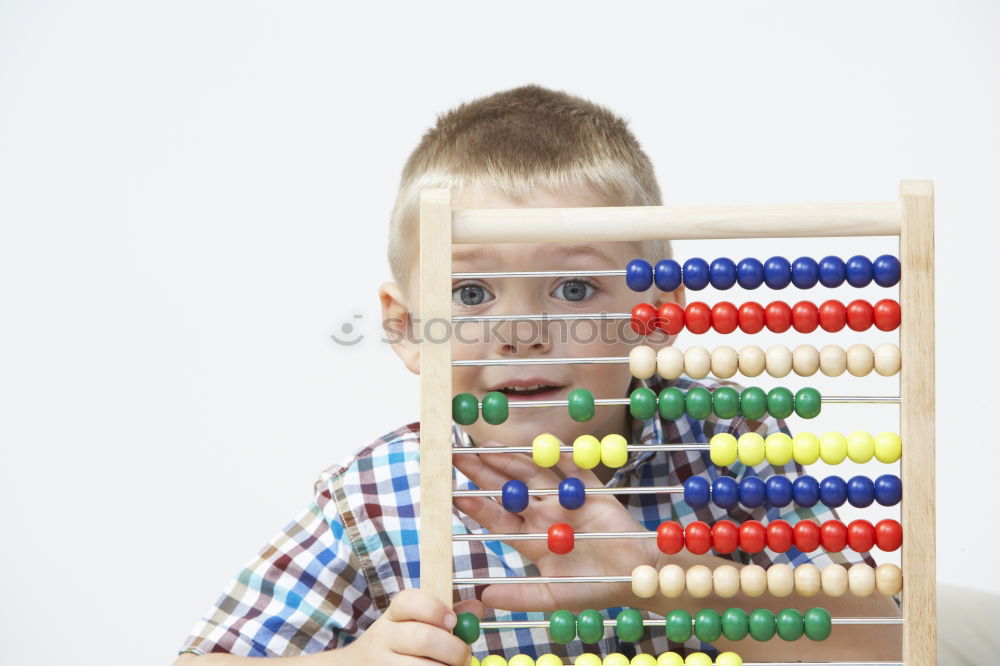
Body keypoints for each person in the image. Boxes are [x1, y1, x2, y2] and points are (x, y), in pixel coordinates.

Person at [173, 85, 900, 665]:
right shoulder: (375, 498)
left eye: (575, 289)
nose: (521, 333)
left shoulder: (726, 443)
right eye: (470, 294)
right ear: (404, 328)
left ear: (659, 315)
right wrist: (355, 662)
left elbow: (886, 647)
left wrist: (658, 574)